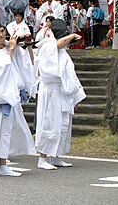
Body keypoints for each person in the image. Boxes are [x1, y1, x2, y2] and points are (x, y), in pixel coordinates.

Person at [0, 17, 36, 179]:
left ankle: (3, 164)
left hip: (9, 98)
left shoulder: (11, 49)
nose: (1, 35)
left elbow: (22, 66)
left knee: (5, 132)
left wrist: (17, 47)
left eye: (3, 31)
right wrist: (10, 51)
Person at [35, 20, 86, 170]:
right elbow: (57, 45)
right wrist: (72, 35)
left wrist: (76, 97)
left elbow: (72, 77)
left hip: (63, 93)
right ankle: (42, 157)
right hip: (51, 91)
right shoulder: (48, 45)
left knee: (63, 125)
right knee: (49, 123)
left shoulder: (64, 55)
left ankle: (56, 156)